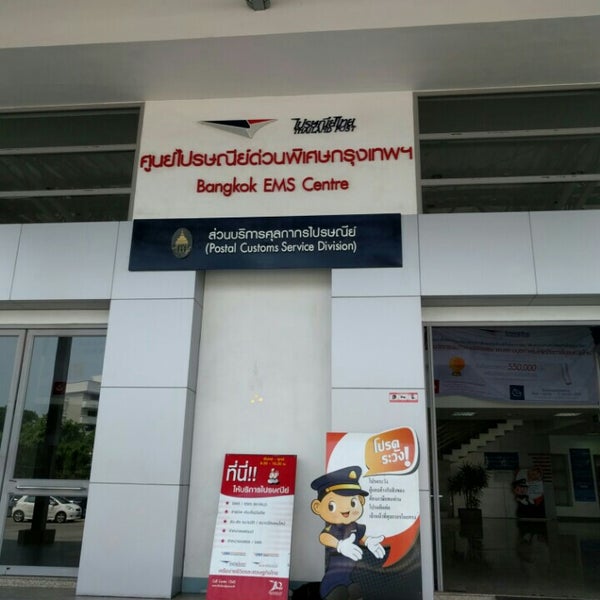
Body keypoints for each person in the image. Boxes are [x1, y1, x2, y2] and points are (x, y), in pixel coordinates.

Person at [310, 466, 385, 600]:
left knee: (353, 591)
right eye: (332, 505)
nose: (346, 510)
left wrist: (369, 541)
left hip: (349, 574)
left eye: (353, 503)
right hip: (333, 575)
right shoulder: (333, 527)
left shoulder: (354, 525)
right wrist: (339, 545)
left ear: (361, 501)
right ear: (317, 507)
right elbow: (324, 537)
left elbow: (361, 536)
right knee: (337, 592)